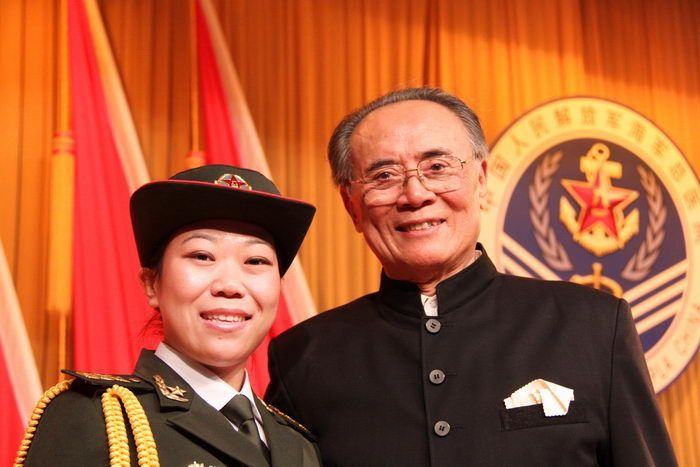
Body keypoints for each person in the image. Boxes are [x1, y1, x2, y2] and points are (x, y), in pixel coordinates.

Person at [264, 88, 677, 466]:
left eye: (437, 166)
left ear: (480, 180)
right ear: (351, 205)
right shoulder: (303, 357)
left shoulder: (593, 326)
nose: (415, 195)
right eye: (384, 176)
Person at [16, 165, 321, 467]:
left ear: (278, 286)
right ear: (151, 284)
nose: (229, 285)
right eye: (202, 256)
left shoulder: (298, 444)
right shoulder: (97, 419)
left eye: (255, 261)